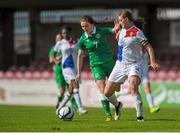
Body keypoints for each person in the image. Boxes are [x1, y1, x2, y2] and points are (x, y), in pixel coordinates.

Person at [104, 10, 159, 122]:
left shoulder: (137, 32)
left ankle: (140, 116)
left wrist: (152, 61)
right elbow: (120, 41)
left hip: (134, 64)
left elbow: (149, 47)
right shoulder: (121, 30)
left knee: (133, 86)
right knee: (107, 93)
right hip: (119, 64)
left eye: (120, 20)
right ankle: (118, 105)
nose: (119, 23)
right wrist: (116, 32)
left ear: (127, 19)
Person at [76, 15, 121, 121]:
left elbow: (113, 30)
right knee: (103, 90)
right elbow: (79, 56)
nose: (84, 28)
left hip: (110, 64)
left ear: (92, 24)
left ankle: (117, 105)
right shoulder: (83, 39)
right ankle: (108, 115)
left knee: (115, 89)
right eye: (82, 27)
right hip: (96, 66)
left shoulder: (102, 31)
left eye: (86, 26)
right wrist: (78, 72)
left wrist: (118, 26)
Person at [53, 26, 88, 115]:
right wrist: (56, 60)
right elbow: (54, 53)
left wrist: (82, 54)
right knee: (75, 85)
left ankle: (59, 108)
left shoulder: (76, 41)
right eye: (63, 33)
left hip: (75, 68)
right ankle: (80, 108)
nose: (64, 34)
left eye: (66, 32)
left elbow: (82, 52)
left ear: (70, 32)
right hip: (66, 67)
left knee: (70, 90)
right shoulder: (60, 43)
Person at [49, 33, 78, 111]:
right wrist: (58, 58)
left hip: (68, 70)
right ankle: (59, 101)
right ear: (56, 40)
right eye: (57, 38)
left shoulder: (67, 46)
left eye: (60, 38)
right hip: (59, 72)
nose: (59, 40)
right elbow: (51, 59)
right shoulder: (54, 49)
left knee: (71, 88)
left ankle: (75, 106)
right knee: (61, 91)